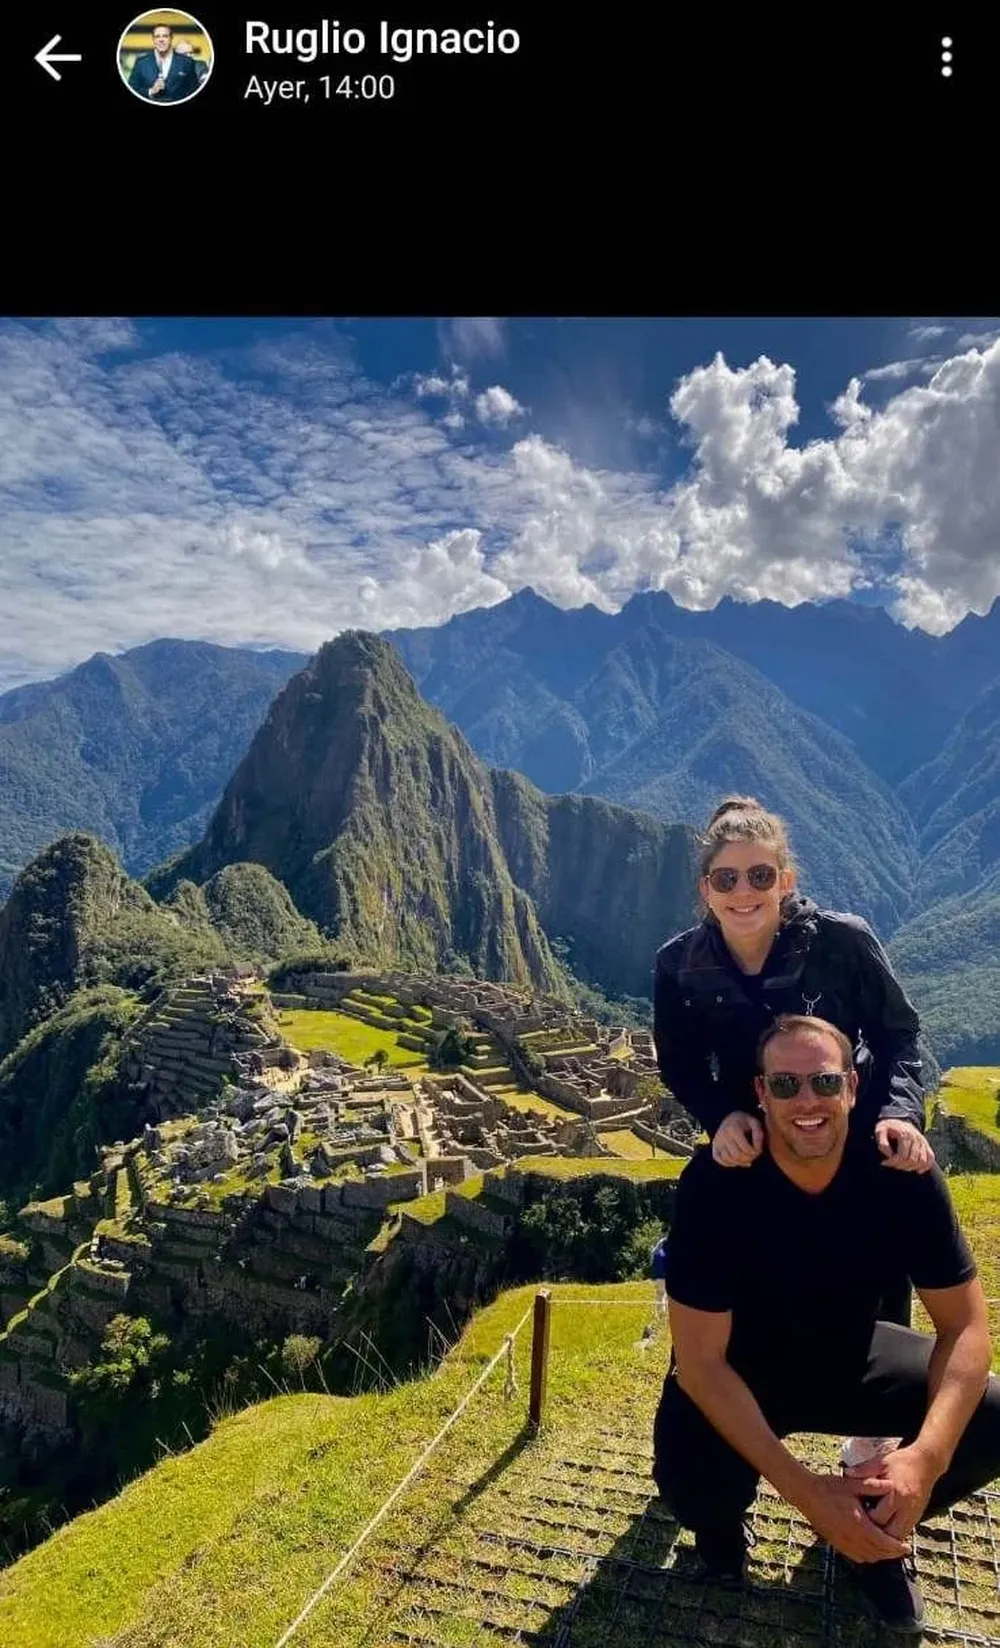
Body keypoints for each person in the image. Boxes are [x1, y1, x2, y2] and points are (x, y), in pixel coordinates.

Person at [653, 1013, 999, 1632]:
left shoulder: (901, 1176)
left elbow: (967, 1328)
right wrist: (808, 1494)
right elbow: (700, 1363)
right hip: (741, 1362)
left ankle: (876, 1536)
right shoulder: (716, 1183)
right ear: (759, 1093)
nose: (806, 1101)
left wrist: (925, 1459)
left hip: (852, 1350)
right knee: (692, 1486)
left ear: (853, 1089)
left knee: (994, 1417)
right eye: (785, 1085)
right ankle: (721, 1523)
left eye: (824, 1083)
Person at [128, 24, 202, 101]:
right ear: (153, 39)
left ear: (171, 38)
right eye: (157, 36)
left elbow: (194, 91)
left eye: (165, 36)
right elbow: (132, 89)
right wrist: (150, 91)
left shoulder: (187, 62)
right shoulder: (141, 63)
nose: (161, 40)